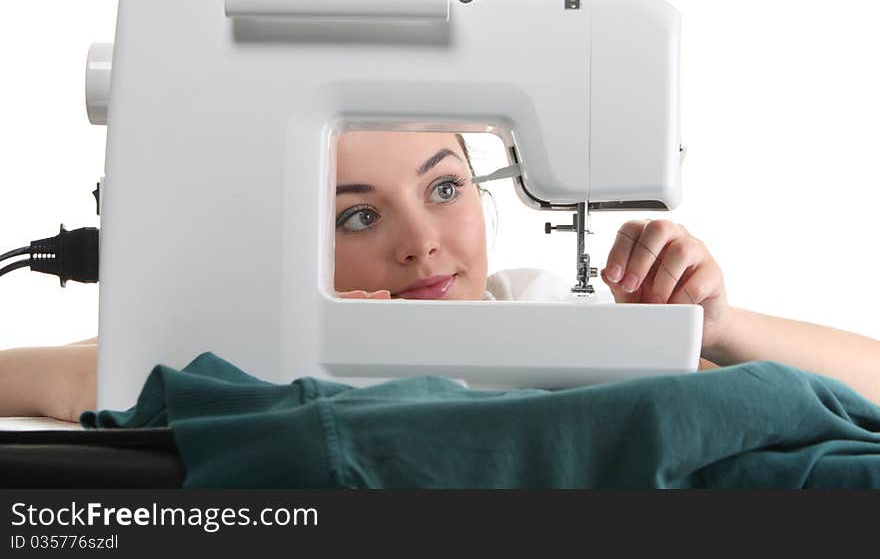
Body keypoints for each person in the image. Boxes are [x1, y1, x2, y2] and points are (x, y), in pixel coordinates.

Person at [1, 131, 878, 422]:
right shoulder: (257, 353)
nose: (423, 244)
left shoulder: (541, 308)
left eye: (445, 186)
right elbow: (74, 371)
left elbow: (862, 392)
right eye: (358, 214)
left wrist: (714, 327)